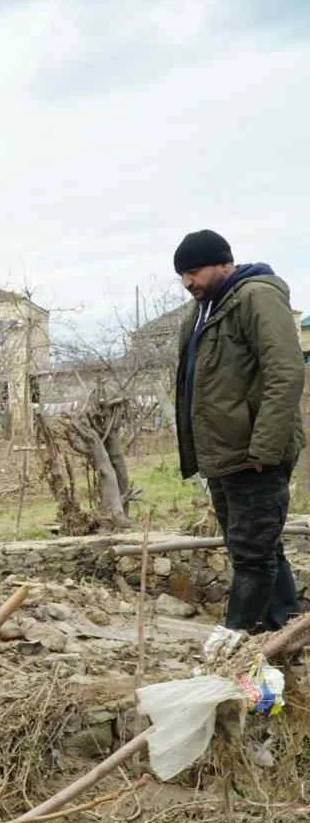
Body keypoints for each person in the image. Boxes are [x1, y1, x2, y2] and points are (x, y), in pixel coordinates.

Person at [170, 229, 305, 657]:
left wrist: (264, 449)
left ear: (224, 263)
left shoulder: (255, 297)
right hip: (223, 456)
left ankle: (232, 644)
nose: (189, 282)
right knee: (258, 547)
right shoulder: (201, 311)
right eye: (182, 275)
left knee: (251, 555)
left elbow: (284, 373)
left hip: (253, 455)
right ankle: (286, 631)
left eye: (195, 271)